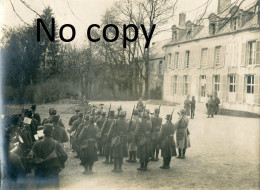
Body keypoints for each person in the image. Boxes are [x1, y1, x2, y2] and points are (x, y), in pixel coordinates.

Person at [28, 124, 68, 189]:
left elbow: (30, 157)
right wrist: (59, 164)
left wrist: (35, 163)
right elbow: (65, 156)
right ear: (52, 133)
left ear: (43, 133)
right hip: (53, 171)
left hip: (40, 171)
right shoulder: (57, 144)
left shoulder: (37, 144)